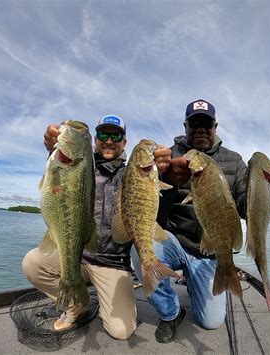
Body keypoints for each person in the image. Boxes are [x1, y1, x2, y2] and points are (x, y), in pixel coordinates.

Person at [22, 115, 172, 339]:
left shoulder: (129, 173)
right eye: (103, 135)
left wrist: (161, 169)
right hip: (78, 257)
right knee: (33, 263)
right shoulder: (84, 166)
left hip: (113, 264)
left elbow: (149, 198)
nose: (109, 141)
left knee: (121, 332)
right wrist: (53, 147)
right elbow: (61, 177)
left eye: (116, 136)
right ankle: (76, 306)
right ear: (95, 140)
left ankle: (106, 299)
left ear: (124, 142)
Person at [132, 99, 248, 343]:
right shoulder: (167, 157)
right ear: (185, 126)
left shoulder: (235, 161)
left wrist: (263, 188)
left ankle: (201, 282)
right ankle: (171, 312)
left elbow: (245, 207)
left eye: (206, 124)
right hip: (174, 241)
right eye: (194, 123)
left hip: (209, 251)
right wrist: (167, 181)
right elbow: (149, 212)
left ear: (215, 126)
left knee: (211, 322)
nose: (201, 129)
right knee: (142, 247)